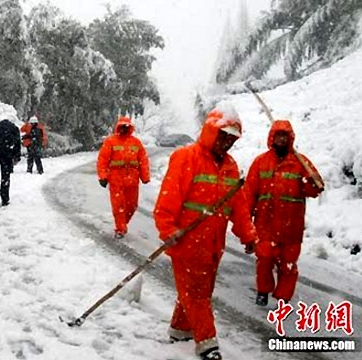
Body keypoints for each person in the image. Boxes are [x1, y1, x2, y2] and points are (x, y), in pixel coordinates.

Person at [153, 102, 258, 360]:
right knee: (197, 294)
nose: (227, 142)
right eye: (223, 135)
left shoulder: (231, 167)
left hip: (213, 246)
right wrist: (168, 229)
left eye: (232, 138)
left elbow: (239, 207)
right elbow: (166, 202)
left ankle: (180, 329)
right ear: (211, 131)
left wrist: (249, 235)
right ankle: (207, 343)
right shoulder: (186, 158)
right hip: (186, 242)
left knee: (197, 292)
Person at [245, 120, 324, 307]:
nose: (281, 139)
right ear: (272, 138)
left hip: (291, 226)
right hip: (265, 224)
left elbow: (313, 190)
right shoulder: (260, 162)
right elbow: (249, 193)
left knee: (288, 265)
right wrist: (246, 222)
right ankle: (263, 290)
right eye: (278, 135)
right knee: (264, 258)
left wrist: (314, 182)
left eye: (285, 136)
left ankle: (283, 297)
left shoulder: (301, 163)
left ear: (290, 139)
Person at [97, 115, 150, 239]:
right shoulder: (110, 141)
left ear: (130, 127)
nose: (124, 129)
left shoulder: (136, 142)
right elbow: (102, 160)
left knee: (132, 205)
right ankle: (120, 228)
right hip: (116, 178)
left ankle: (122, 223)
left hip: (132, 178)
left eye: (127, 127)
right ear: (118, 127)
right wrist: (103, 176)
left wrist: (145, 176)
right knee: (118, 205)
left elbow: (143, 159)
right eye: (122, 127)